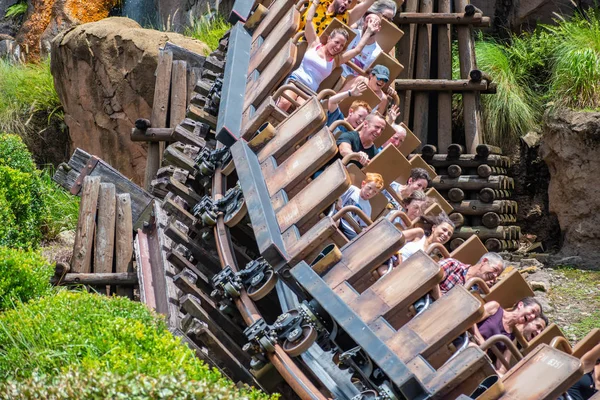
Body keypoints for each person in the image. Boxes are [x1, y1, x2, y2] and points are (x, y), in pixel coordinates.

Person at [278, 5, 381, 112]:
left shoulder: (336, 60)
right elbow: (309, 21)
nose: (338, 47)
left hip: (308, 91)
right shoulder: (314, 44)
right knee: (285, 102)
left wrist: (369, 31)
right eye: (336, 42)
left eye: (341, 46)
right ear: (329, 38)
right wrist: (315, 3)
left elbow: (357, 50)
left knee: (304, 113)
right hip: (295, 81)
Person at [473, 297, 543, 374]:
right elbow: (470, 319)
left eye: (535, 317)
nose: (532, 317)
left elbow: (502, 368)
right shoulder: (495, 308)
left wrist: (499, 374)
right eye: (532, 311)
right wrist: (481, 341)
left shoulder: (511, 338)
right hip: (468, 341)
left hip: (480, 360)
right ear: (520, 305)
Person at [333, 172, 384, 240]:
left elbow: (364, 224)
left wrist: (365, 229)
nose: (370, 192)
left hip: (348, 226)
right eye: (369, 188)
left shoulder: (368, 207)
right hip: (337, 214)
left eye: (374, 192)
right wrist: (338, 200)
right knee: (334, 220)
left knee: (355, 240)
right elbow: (338, 196)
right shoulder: (352, 189)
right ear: (363, 184)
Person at [298, 0, 378, 38]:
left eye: (349, 2)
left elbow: (365, 4)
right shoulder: (320, 1)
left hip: (311, 51)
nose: (346, 3)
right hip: (294, 38)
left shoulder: (345, 19)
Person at [340, 14, 383, 84]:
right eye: (369, 21)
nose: (370, 25)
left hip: (353, 82)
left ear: (379, 28)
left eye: (375, 23)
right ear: (363, 22)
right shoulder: (353, 33)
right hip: (338, 71)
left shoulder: (378, 53)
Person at [437, 252, 506, 295]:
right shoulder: (453, 265)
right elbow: (429, 276)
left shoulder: (475, 293)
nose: (495, 275)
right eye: (495, 269)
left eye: (498, 275)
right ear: (484, 261)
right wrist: (439, 298)